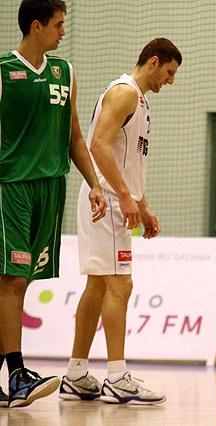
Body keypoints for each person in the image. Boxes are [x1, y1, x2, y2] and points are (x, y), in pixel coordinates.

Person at [58, 38, 182, 405]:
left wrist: (142, 206)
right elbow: (97, 145)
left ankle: (76, 373)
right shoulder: (125, 93)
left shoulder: (140, 100)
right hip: (107, 200)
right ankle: (117, 376)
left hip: (115, 199)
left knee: (97, 287)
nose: (170, 82)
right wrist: (125, 197)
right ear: (154, 61)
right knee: (119, 286)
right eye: (170, 73)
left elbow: (126, 161)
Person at [0, 0, 106, 408]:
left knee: (18, 282)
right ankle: (18, 374)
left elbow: (74, 137)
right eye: (59, 25)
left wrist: (94, 183)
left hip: (51, 186)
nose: (64, 32)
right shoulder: (4, 70)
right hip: (11, 185)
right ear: (36, 25)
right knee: (11, 279)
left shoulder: (65, 72)